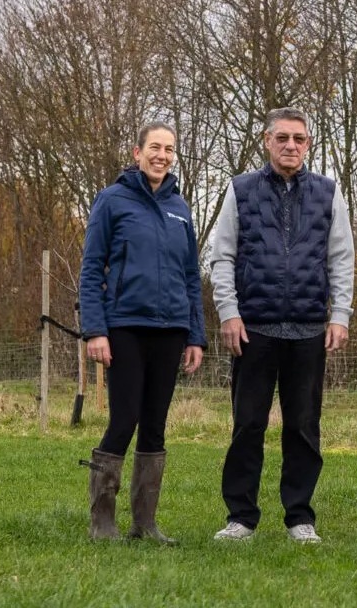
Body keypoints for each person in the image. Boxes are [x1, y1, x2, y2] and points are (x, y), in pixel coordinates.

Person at [208, 107, 355, 544]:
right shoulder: (240, 190)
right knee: (247, 425)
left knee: (304, 428)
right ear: (267, 141)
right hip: (254, 329)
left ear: (308, 143)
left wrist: (341, 314)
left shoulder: (329, 192)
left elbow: (342, 259)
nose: (291, 146)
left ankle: (299, 517)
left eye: (299, 139)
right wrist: (228, 312)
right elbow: (223, 256)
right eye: (283, 138)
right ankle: (241, 518)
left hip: (309, 329)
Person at [78, 122, 205, 543]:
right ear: (137, 152)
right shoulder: (112, 200)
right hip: (124, 328)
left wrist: (195, 335)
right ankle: (103, 521)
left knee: (155, 425)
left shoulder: (180, 207)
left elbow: (191, 276)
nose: (162, 155)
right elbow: (92, 268)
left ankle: (145, 524)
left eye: (169, 149)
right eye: (155, 147)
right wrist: (95, 329)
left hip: (171, 330)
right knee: (123, 420)